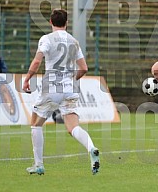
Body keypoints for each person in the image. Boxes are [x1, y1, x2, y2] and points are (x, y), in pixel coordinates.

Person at [23, 9, 100, 175]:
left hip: (51, 87)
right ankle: (91, 147)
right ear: (67, 23)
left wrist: (27, 78)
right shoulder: (74, 41)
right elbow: (84, 68)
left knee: (36, 124)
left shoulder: (46, 39)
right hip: (70, 89)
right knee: (73, 127)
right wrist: (72, 79)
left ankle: (39, 165)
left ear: (51, 22)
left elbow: (37, 62)